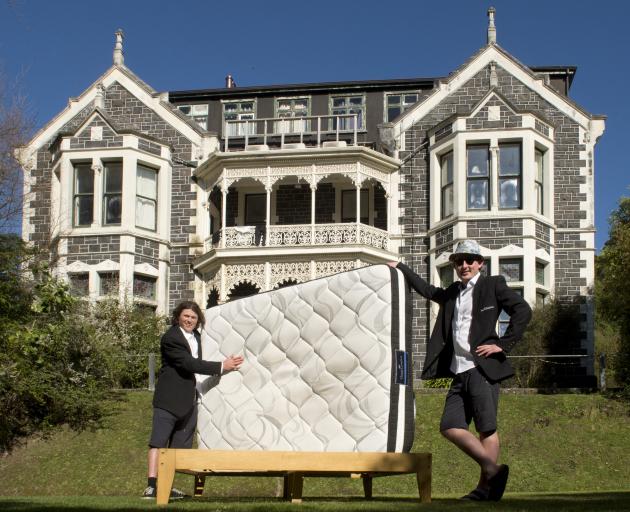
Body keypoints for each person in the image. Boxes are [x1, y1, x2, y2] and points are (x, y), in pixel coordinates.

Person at [389, 240, 531, 501]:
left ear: (480, 263)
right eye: (458, 261)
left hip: (482, 368)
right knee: (449, 426)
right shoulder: (454, 291)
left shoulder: (492, 285)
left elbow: (523, 310)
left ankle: (484, 489)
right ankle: (492, 470)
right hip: (459, 370)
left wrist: (502, 344)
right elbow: (429, 290)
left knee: (486, 429)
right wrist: (401, 267)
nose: (463, 265)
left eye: (469, 260)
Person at [143, 300, 243, 499]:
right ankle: (151, 486)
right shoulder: (171, 337)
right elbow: (188, 363)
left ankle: (167, 486)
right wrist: (222, 366)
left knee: (180, 447)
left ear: (198, 320)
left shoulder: (198, 336)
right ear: (178, 316)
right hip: (169, 399)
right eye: (186, 316)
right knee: (159, 443)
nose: (189, 320)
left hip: (190, 400)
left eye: (193, 317)